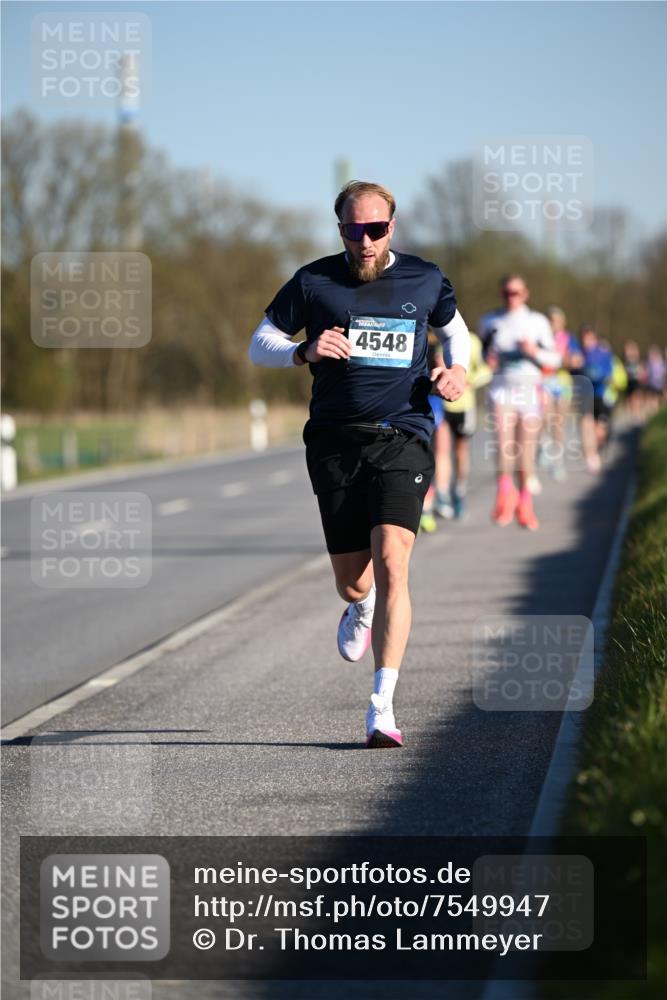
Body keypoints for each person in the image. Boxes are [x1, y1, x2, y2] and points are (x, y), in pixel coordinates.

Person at [248, 181, 470, 748]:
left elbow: (455, 330)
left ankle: (382, 707)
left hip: (404, 435)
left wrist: (456, 369)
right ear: (340, 228)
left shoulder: (424, 278)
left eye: (376, 230)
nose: (366, 241)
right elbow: (259, 341)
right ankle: (362, 606)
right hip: (333, 441)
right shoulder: (314, 281)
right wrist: (303, 350)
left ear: (392, 227)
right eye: (354, 230)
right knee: (354, 582)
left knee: (395, 560)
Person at [480, 275, 561, 531]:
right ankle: (505, 495)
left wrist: (533, 352)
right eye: (506, 293)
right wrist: (488, 361)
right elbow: (483, 355)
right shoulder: (490, 321)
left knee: (525, 453)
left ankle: (525, 503)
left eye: (516, 293)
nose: (511, 297)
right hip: (502, 392)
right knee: (504, 448)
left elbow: (555, 360)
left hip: (529, 393)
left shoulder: (537, 322)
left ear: (525, 293)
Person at [420, 329, 490, 530]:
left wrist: (469, 381)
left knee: (460, 451)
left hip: (463, 405)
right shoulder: (432, 337)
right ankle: (440, 495)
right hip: (440, 404)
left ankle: (458, 491)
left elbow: (485, 369)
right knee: (440, 450)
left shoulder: (472, 340)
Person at [540, 307, 580, 482]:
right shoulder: (541, 337)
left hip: (562, 383)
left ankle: (558, 461)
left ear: (562, 322)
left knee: (559, 423)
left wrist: (566, 361)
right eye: (550, 320)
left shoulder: (569, 338)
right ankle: (545, 446)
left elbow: (577, 360)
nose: (553, 323)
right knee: (546, 418)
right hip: (545, 381)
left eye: (556, 320)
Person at [575, 326, 614, 472]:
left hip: (600, 393)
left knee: (600, 428)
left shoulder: (602, 352)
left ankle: (599, 448)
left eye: (589, 337)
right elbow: (572, 371)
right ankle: (591, 454)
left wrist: (597, 374)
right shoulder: (578, 353)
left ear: (594, 338)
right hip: (584, 393)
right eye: (583, 338)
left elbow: (609, 371)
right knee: (586, 423)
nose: (586, 341)